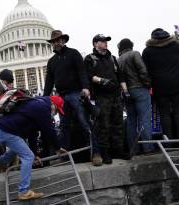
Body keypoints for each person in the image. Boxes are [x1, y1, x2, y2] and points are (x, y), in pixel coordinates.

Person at [43, 30, 100, 165]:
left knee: (84, 122)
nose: (56, 43)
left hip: (76, 92)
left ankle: (96, 152)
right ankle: (65, 156)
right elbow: (49, 82)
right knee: (64, 126)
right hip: (62, 96)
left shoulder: (73, 53)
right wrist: (45, 99)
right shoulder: (52, 62)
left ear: (63, 40)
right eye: (54, 41)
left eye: (58, 40)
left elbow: (82, 71)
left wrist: (85, 87)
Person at [0, 95, 66, 201]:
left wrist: (35, 153)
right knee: (28, 156)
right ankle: (23, 191)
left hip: (4, 129)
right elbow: (49, 130)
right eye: (56, 110)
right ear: (53, 105)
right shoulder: (42, 108)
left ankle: (0, 161)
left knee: (21, 148)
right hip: (7, 131)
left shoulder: (36, 103)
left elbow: (32, 133)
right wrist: (57, 147)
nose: (55, 114)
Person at [84, 34, 128, 164]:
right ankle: (105, 152)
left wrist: (124, 90)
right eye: (102, 41)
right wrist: (101, 81)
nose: (105, 43)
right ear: (95, 43)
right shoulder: (89, 59)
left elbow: (120, 75)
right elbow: (88, 75)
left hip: (116, 95)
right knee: (103, 125)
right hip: (101, 97)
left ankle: (118, 150)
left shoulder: (113, 58)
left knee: (118, 123)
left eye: (106, 41)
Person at [142, 28, 179, 142]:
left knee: (164, 114)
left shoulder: (147, 51)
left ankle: (168, 143)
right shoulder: (176, 46)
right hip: (177, 83)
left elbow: (146, 69)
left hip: (159, 86)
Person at [117, 38, 154, 155]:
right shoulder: (134, 54)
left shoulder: (118, 60)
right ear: (130, 46)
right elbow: (143, 71)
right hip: (139, 89)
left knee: (131, 121)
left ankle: (133, 149)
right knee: (145, 119)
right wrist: (148, 85)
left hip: (126, 93)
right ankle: (148, 148)